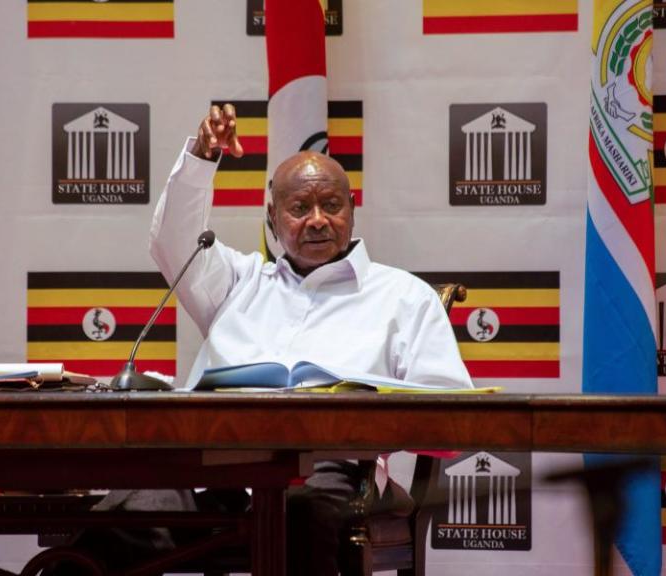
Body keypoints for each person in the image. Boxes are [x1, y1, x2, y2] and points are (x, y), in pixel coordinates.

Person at [146, 103, 473, 575]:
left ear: (352, 210)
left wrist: (366, 414)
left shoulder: (404, 297)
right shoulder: (236, 283)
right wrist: (201, 157)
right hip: (213, 470)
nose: (317, 220)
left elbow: (452, 416)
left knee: (296, 509)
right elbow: (172, 243)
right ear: (272, 218)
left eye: (331, 206)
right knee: (128, 507)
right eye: (299, 209)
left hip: (329, 473)